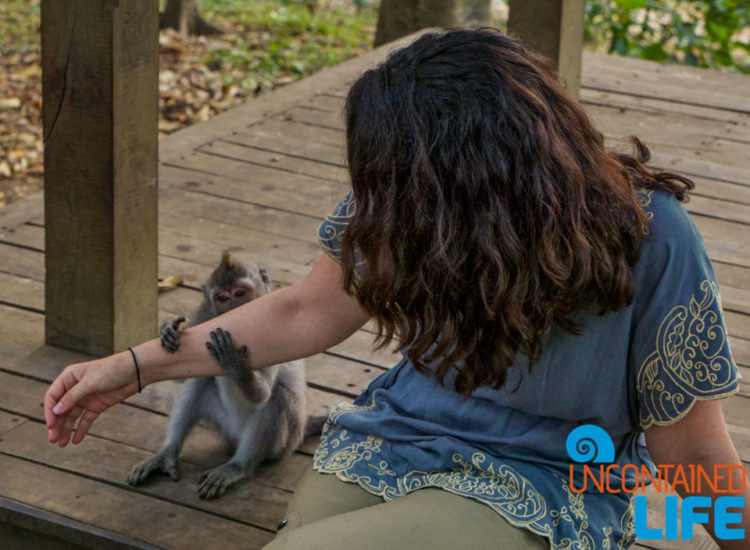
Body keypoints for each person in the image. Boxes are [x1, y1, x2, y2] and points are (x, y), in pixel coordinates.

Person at [45, 29, 749, 549]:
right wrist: (133, 367)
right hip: (402, 438)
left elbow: (692, 455)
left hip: (547, 477)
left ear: (461, 175)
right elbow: (302, 309)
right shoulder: (412, 208)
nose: (377, 191)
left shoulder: (652, 237)